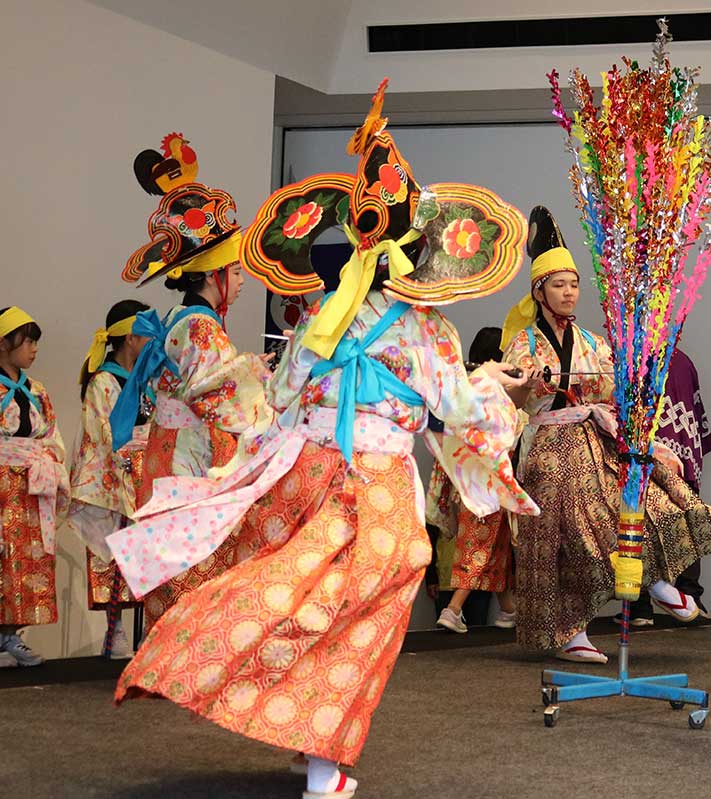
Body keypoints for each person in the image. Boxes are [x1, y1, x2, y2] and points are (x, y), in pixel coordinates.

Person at [113, 81, 537, 799]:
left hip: (307, 473)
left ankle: (270, 713)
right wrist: (505, 392)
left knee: (291, 594)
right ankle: (320, 763)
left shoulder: (320, 321)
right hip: (372, 487)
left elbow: (276, 400)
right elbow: (464, 410)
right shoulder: (425, 329)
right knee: (356, 618)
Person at [501, 205, 711, 664]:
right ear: (538, 290)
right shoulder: (522, 343)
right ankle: (571, 629)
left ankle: (659, 579)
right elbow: (514, 400)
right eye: (558, 285)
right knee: (568, 531)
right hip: (548, 446)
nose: (568, 293)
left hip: (595, 436)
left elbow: (614, 391)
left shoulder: (593, 342)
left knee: (652, 496)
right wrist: (526, 383)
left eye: (573, 284)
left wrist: (648, 437)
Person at [110, 135, 274, 628]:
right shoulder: (200, 325)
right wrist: (261, 377)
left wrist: (246, 370)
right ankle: (179, 652)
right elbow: (217, 391)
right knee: (191, 549)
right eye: (237, 270)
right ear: (213, 276)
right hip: (190, 451)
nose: (244, 280)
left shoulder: (184, 318)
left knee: (176, 546)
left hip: (172, 444)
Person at [66, 299, 154, 658]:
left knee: (145, 553)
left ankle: (147, 626)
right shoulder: (103, 381)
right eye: (145, 334)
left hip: (142, 471)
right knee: (111, 554)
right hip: (115, 474)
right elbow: (102, 431)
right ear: (130, 338)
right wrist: (132, 447)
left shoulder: (144, 380)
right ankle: (114, 630)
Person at [425, 326, 519, 634]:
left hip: (463, 483)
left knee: (497, 548)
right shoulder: (491, 398)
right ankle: (453, 609)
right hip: (486, 485)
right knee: (480, 546)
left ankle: (508, 611)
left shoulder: (460, 395)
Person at [623, 345, 711, 624]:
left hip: (645, 451)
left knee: (638, 521)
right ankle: (691, 596)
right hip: (681, 450)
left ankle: (639, 606)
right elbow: (696, 414)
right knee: (684, 520)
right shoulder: (684, 360)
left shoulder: (632, 360)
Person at [0, 307, 69, 667]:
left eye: (34, 341)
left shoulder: (36, 390)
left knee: (28, 560)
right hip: (2, 483)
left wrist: (51, 464)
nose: (34, 348)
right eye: (27, 341)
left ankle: (11, 635)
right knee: (3, 557)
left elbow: (50, 434)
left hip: (30, 484)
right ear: (3, 344)